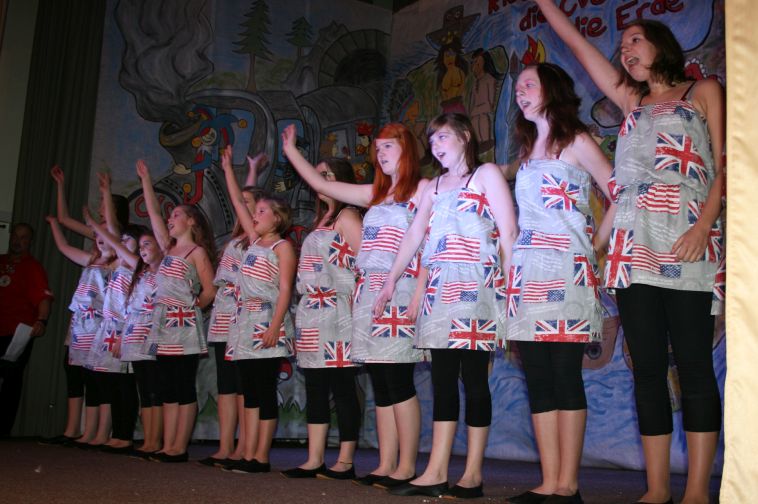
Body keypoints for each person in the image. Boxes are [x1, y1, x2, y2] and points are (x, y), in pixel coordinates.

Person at [534, 2, 725, 503]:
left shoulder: (702, 91)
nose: (626, 51)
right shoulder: (631, 100)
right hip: (633, 249)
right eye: (621, 47)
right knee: (647, 369)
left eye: (635, 40)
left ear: (661, 44)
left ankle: (697, 492)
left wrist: (703, 226)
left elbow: (724, 165)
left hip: (686, 241)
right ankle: (657, 489)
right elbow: (578, 45)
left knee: (693, 365)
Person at [374, 113, 517, 498]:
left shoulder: (486, 174)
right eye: (432, 139)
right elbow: (414, 235)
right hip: (439, 294)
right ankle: (436, 470)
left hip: (477, 290)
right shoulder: (433, 186)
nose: (436, 145)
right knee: (442, 380)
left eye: (443, 137)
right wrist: (390, 279)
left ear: (465, 137)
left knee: (474, 379)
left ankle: (472, 474)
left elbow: (508, 232)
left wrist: (511, 288)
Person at [282, 122, 430, 488]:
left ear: (407, 148)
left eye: (388, 146)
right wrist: (290, 151)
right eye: (378, 149)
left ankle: (406, 466)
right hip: (368, 295)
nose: (381, 154)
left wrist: (418, 295)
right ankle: (386, 463)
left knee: (399, 380)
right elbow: (320, 184)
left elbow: (428, 242)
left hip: (400, 289)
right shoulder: (374, 194)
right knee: (381, 381)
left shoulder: (423, 189)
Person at [505, 63, 616, 504]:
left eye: (529, 84)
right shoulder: (527, 151)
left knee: (565, 374)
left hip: (566, 273)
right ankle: (549, 482)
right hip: (528, 275)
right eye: (518, 87)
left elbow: (620, 191)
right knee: (537, 376)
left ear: (551, 89)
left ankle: (568, 485)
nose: (520, 92)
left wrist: (596, 244)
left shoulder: (577, 140)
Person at [280, 157, 363, 480]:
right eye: (318, 175)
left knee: (342, 385)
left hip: (338, 312)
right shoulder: (323, 218)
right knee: (315, 386)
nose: (320, 179)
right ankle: (314, 458)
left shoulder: (347, 215)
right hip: (312, 313)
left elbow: (365, 262)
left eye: (326, 174)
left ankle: (346, 460)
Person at [221, 146, 296, 474]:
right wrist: (228, 169)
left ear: (277, 218)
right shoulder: (252, 241)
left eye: (263, 210)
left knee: (264, 390)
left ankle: (261, 456)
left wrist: (275, 327)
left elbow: (285, 290)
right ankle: (248, 452)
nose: (255, 214)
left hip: (266, 320)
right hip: (244, 322)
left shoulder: (282, 247)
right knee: (249, 391)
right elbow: (238, 203)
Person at [137, 159, 217, 463]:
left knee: (183, 385)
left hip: (183, 326)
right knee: (166, 386)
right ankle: (167, 444)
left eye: (177, 215)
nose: (170, 219)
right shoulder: (168, 249)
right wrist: (146, 180)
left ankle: (179, 447)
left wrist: (193, 308)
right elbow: (154, 215)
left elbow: (209, 289)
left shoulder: (196, 252)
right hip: (164, 326)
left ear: (191, 222)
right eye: (170, 216)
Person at [201, 153, 266, 469]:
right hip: (223, 315)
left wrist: (231, 169)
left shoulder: (258, 239)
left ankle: (243, 447)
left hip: (242, 317)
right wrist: (250, 168)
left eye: (249, 203)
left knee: (243, 384)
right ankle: (226, 446)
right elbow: (245, 200)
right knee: (226, 385)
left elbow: (244, 200)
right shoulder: (235, 239)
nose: (241, 205)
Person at [47, 216, 116, 448]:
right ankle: (79, 430)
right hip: (80, 327)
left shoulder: (117, 264)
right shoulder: (91, 259)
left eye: (104, 233)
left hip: (100, 327)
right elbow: (63, 246)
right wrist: (54, 223)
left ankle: (99, 432)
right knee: (78, 375)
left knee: (98, 378)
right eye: (97, 234)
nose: (99, 238)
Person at [0, 223, 53, 437]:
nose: (17, 241)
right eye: (15, 236)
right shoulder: (1, 261)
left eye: (23, 238)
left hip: (17, 333)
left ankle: (3, 430)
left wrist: (42, 321)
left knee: (11, 380)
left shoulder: (33, 267)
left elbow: (43, 298)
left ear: (30, 242)